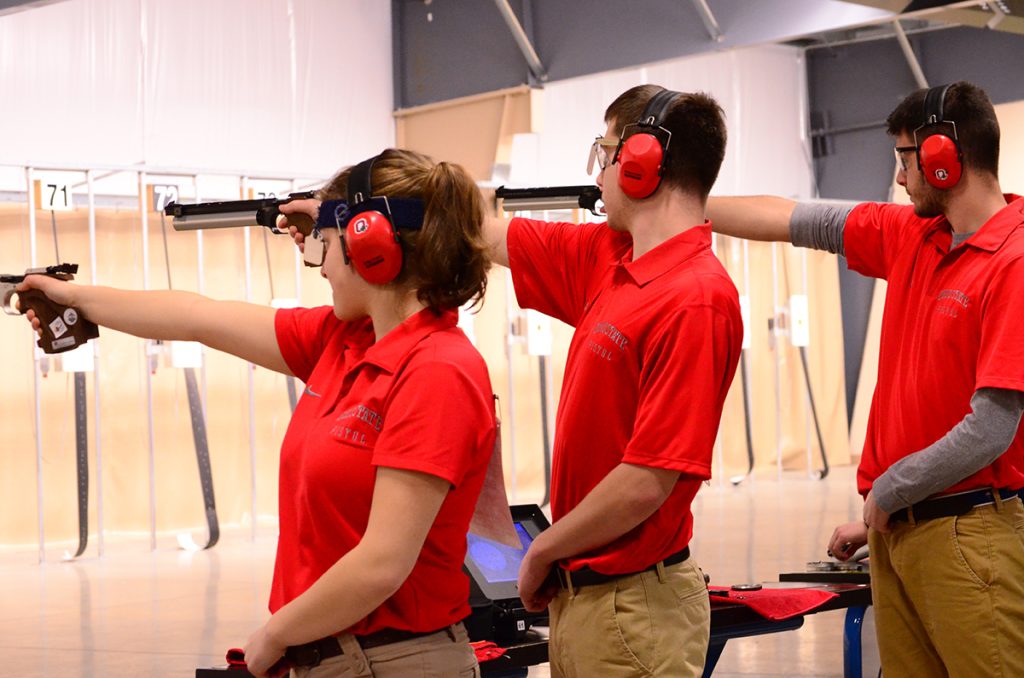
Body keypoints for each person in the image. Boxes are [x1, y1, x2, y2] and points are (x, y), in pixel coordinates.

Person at [19, 149, 496, 678]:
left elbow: (382, 563)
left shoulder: (438, 370)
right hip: (335, 654)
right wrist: (72, 296)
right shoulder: (343, 341)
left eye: (329, 245)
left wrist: (274, 635)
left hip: (394, 661)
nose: (322, 266)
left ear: (372, 250)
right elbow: (199, 317)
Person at [708, 81, 1024, 676]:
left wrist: (889, 491)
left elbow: (991, 428)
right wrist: (680, 207)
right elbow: (791, 218)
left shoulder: (1015, 259)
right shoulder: (915, 235)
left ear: (942, 157)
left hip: (973, 534)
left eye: (905, 160)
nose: (901, 179)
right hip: (904, 529)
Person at [485, 85, 744, 677]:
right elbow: (485, 233)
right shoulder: (610, 258)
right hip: (589, 599)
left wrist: (542, 550)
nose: (599, 174)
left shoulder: (696, 299)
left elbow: (647, 481)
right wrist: (353, 205)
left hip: (633, 608)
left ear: (641, 162)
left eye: (606, 153)